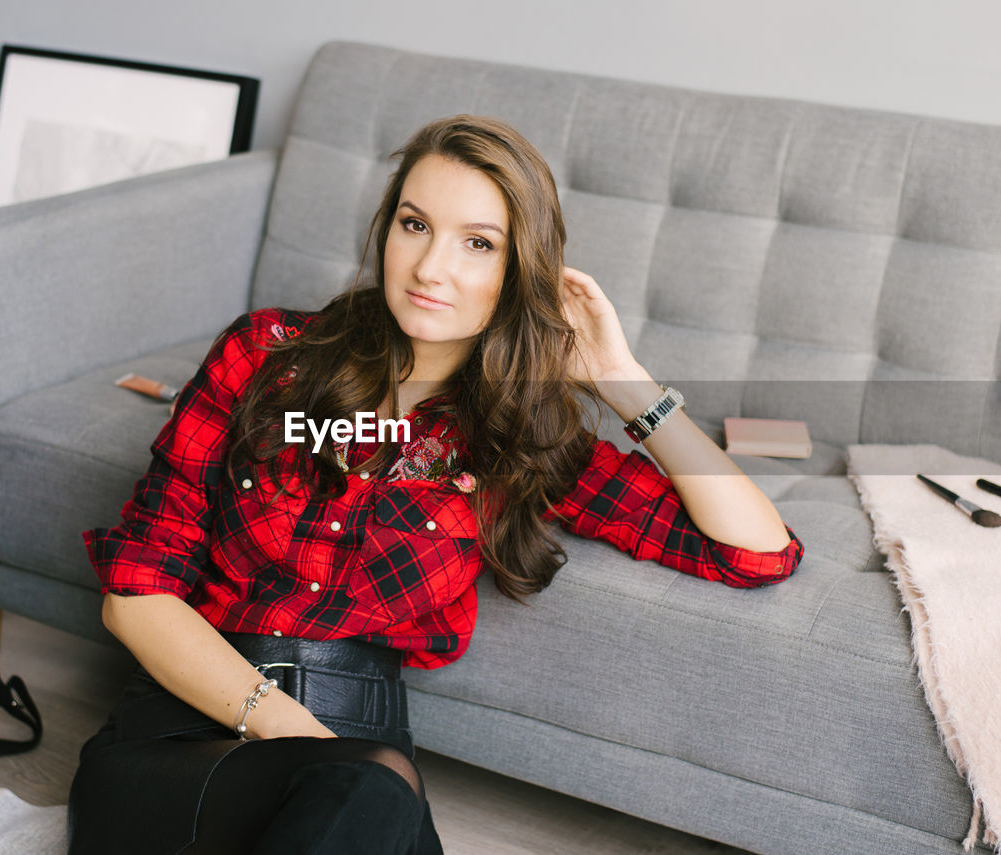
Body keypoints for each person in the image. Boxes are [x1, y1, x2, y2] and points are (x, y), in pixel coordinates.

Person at [66, 114, 803, 855]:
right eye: (415, 225)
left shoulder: (523, 437)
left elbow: (757, 550)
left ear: (520, 274)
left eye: (478, 243)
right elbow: (136, 594)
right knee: (370, 791)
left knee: (366, 796)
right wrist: (300, 737)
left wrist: (624, 381)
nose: (428, 268)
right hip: (180, 748)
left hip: (354, 782)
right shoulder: (263, 352)